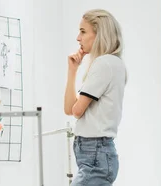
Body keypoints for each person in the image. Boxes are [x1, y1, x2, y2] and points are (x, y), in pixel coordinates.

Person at [63, 9, 126, 186]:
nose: (78, 38)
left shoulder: (105, 63)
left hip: (95, 156)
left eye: (83, 31)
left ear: (99, 34)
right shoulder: (113, 63)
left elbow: (76, 110)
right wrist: (72, 70)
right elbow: (69, 109)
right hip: (96, 155)